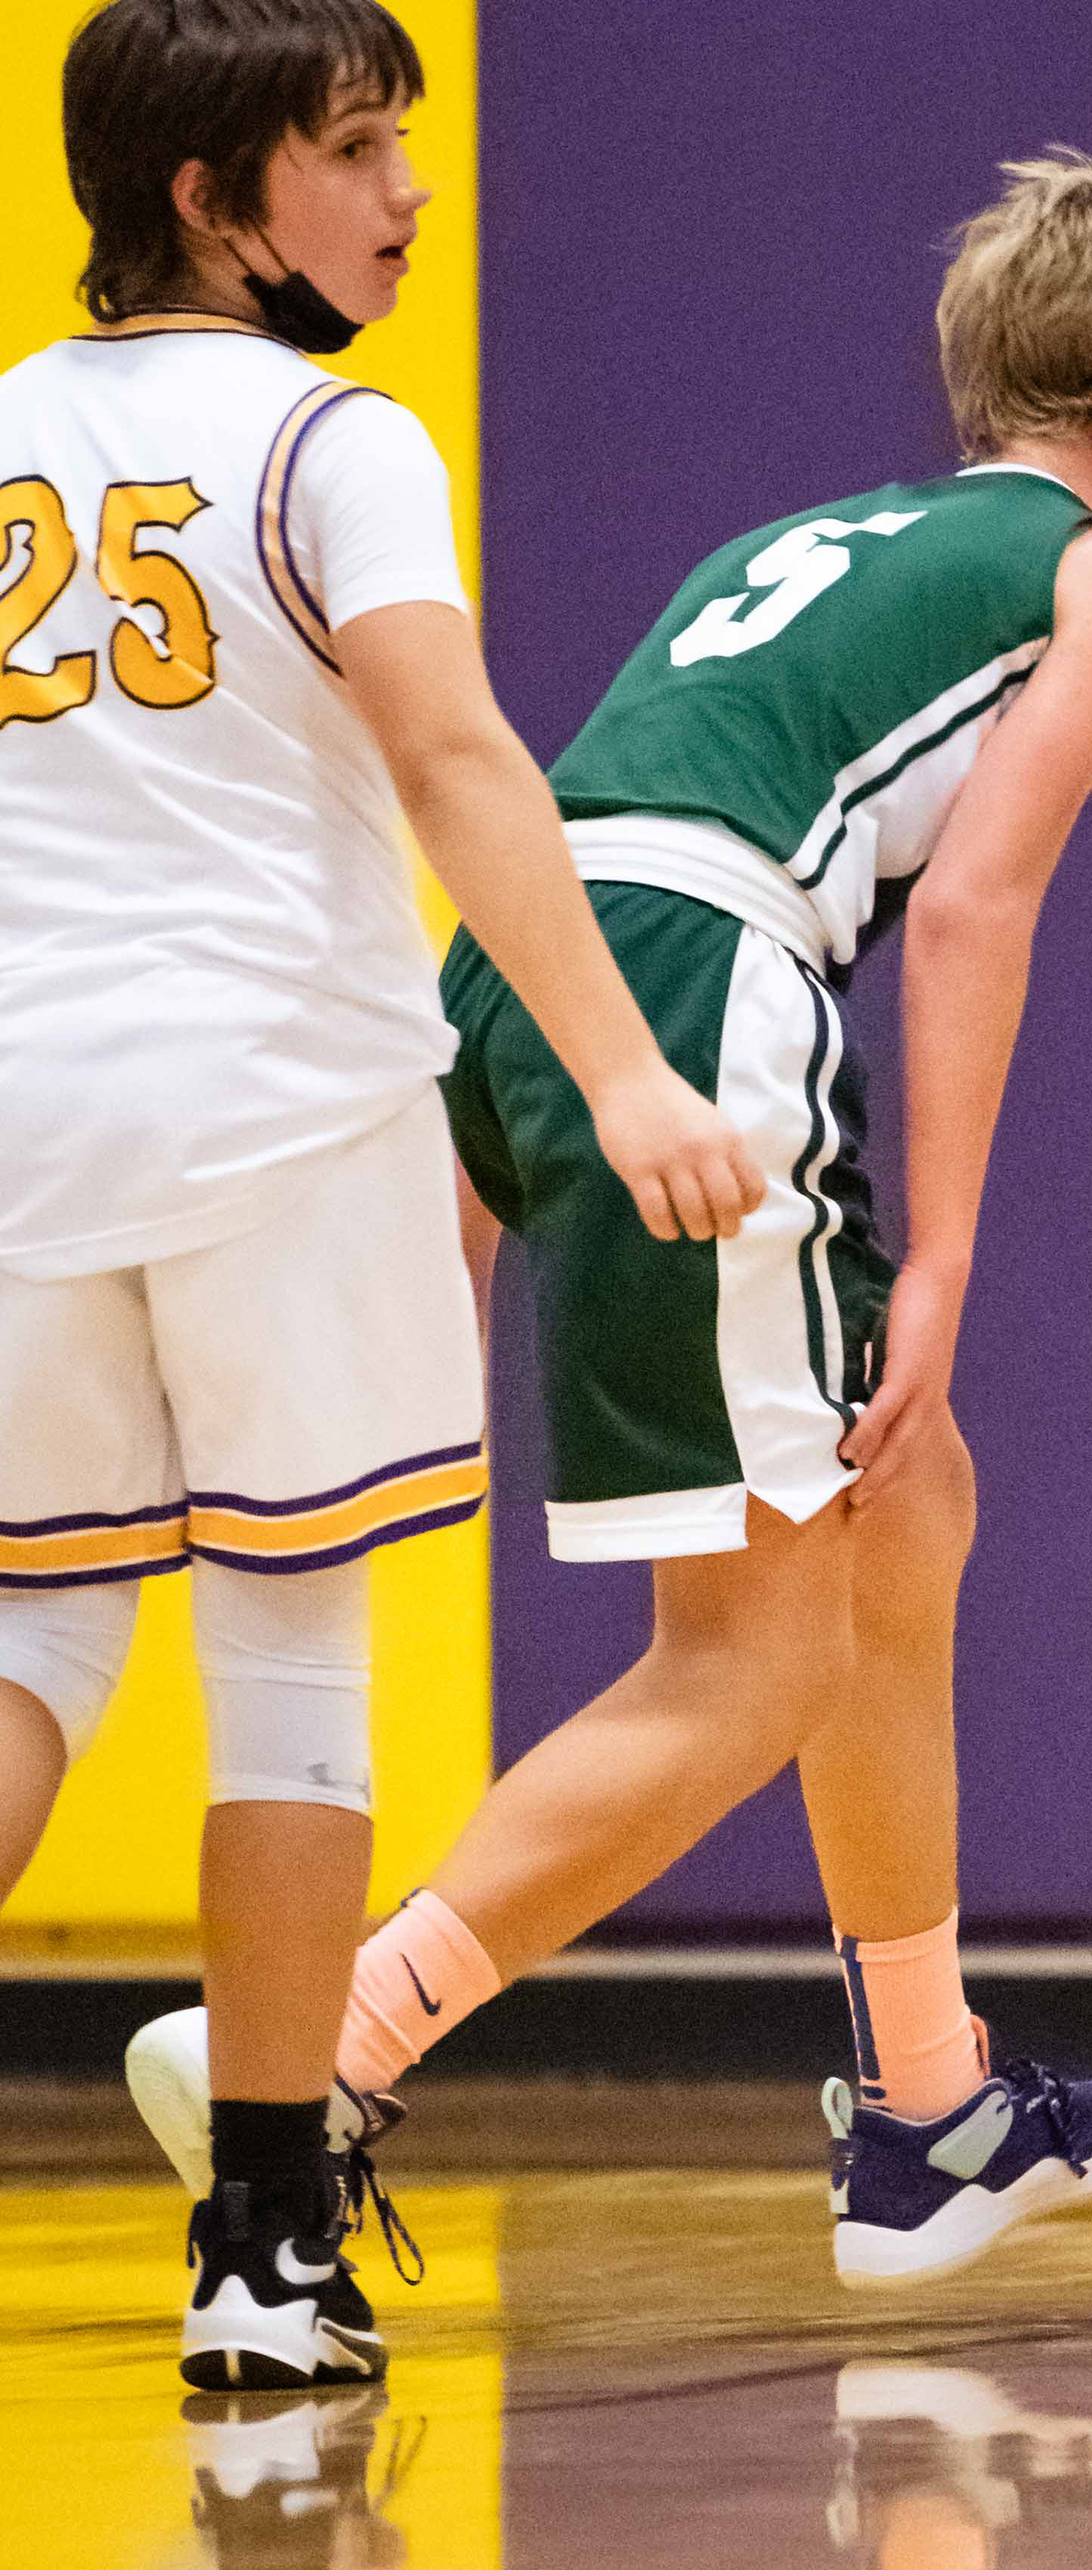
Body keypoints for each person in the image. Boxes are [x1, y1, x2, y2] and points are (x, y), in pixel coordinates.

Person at [126, 152, 1092, 2284]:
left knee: (905, 1505)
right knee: (753, 1656)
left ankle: (929, 2101)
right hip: (694, 979)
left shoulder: (797, 542)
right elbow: (976, 912)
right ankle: (323, 2047)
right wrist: (941, 1261)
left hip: (520, 971)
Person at [0, 0, 762, 2389]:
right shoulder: (338, 440)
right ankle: (259, 2252)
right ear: (212, 195)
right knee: (291, 1671)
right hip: (280, 1107)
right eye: (353, 148)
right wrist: (622, 1073)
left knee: (35, 1655)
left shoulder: (6, 429)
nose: (411, 192)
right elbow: (457, 758)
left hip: (27, 1117)